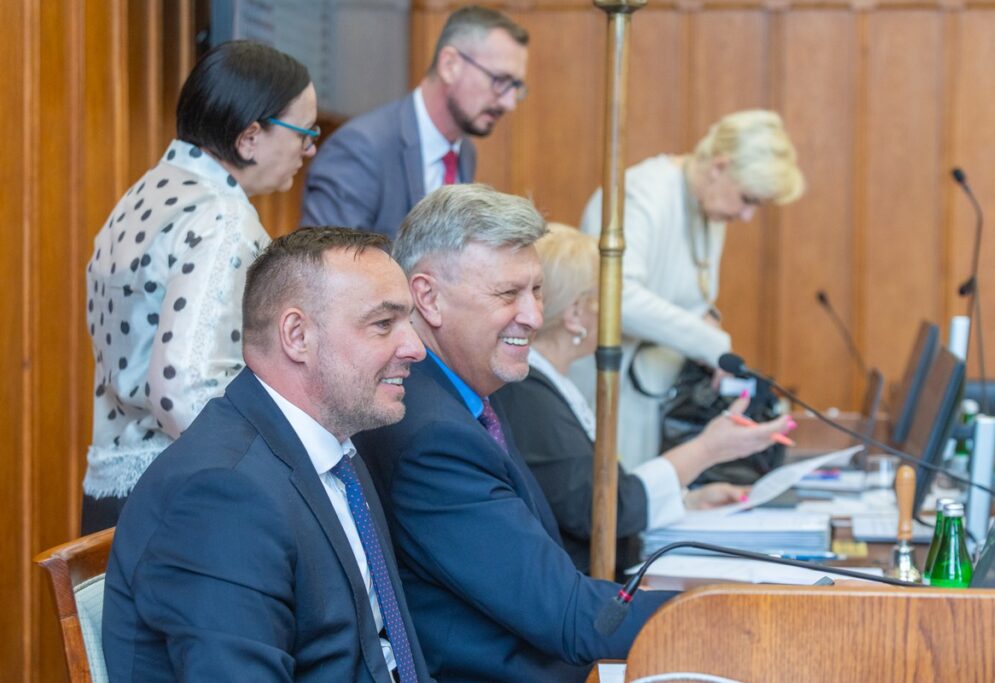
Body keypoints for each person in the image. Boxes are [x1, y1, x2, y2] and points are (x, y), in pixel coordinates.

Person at [353, 185, 676, 683]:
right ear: (428, 297)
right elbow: (568, 617)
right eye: (508, 294)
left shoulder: (464, 396)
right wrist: (733, 608)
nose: (533, 316)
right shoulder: (430, 434)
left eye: (537, 290)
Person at [103, 228, 432, 682]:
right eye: (383, 324)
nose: (415, 347)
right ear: (297, 336)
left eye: (409, 322)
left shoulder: (335, 449)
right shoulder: (222, 494)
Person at [83, 41, 321, 533]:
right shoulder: (221, 215)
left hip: (115, 488)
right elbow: (183, 391)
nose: (310, 148)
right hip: (184, 500)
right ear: (250, 137)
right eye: (304, 132)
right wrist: (268, 480)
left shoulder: (142, 194)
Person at [493, 224, 793, 577]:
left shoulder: (550, 385)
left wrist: (687, 502)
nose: (615, 316)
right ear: (575, 314)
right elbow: (600, 510)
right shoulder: (531, 398)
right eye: (606, 301)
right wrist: (708, 449)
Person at [578, 109, 805, 469]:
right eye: (748, 199)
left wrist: (707, 319)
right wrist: (712, 343)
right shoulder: (641, 194)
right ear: (719, 166)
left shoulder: (709, 202)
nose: (747, 216)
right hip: (614, 393)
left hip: (662, 394)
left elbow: (692, 296)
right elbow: (617, 297)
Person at [300, 5, 528, 238]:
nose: (509, 103)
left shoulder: (465, 153)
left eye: (516, 87)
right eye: (500, 80)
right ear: (450, 65)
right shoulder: (360, 149)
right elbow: (326, 267)